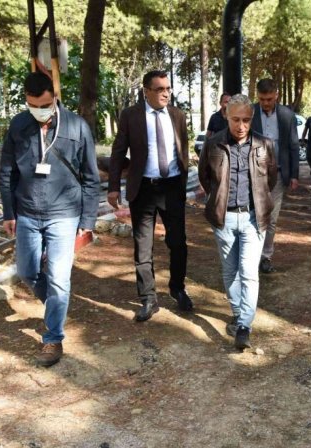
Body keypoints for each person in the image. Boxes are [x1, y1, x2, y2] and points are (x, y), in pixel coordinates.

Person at [0, 72, 100, 367]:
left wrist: (88, 219)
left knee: (58, 277)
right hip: (27, 211)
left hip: (64, 214)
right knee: (27, 271)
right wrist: (9, 212)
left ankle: (53, 337)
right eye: (32, 105)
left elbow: (91, 177)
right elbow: (7, 172)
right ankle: (57, 303)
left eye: (44, 105)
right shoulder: (18, 125)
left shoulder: (77, 126)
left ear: (54, 97)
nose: (39, 111)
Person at [108, 70, 193, 322]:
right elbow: (118, 152)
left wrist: (182, 182)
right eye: (159, 89)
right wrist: (113, 186)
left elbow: (183, 149)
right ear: (146, 91)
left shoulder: (177, 115)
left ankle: (177, 288)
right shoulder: (131, 116)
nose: (166, 93)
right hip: (143, 188)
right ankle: (148, 298)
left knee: (178, 243)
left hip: (172, 187)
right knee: (143, 246)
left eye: (168, 88)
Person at [198, 94, 278, 350]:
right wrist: (219, 201)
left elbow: (271, 180)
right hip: (224, 218)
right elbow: (205, 177)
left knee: (249, 272)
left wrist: (257, 204)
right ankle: (237, 312)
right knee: (230, 270)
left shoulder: (265, 144)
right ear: (226, 116)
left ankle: (244, 325)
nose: (241, 125)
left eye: (246, 120)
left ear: (252, 118)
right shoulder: (213, 144)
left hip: (254, 218)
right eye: (235, 119)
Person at [250, 78, 300, 274]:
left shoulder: (287, 116)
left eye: (269, 99)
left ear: (276, 95)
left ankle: (265, 256)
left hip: (278, 175)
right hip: (254, 173)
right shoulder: (250, 113)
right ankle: (251, 254)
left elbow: (294, 146)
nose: (265, 103)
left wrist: (294, 175)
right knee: (253, 215)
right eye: (262, 99)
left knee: (271, 218)